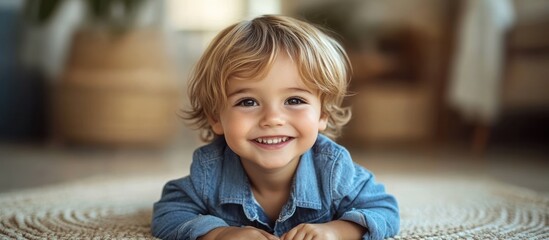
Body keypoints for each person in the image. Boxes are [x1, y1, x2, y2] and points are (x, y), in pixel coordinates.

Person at [152, 15, 399, 240]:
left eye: (294, 100)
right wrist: (219, 234)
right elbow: (168, 212)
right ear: (216, 117)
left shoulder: (334, 171)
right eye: (247, 102)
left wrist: (337, 231)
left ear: (322, 114)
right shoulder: (209, 172)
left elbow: (384, 210)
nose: (272, 119)